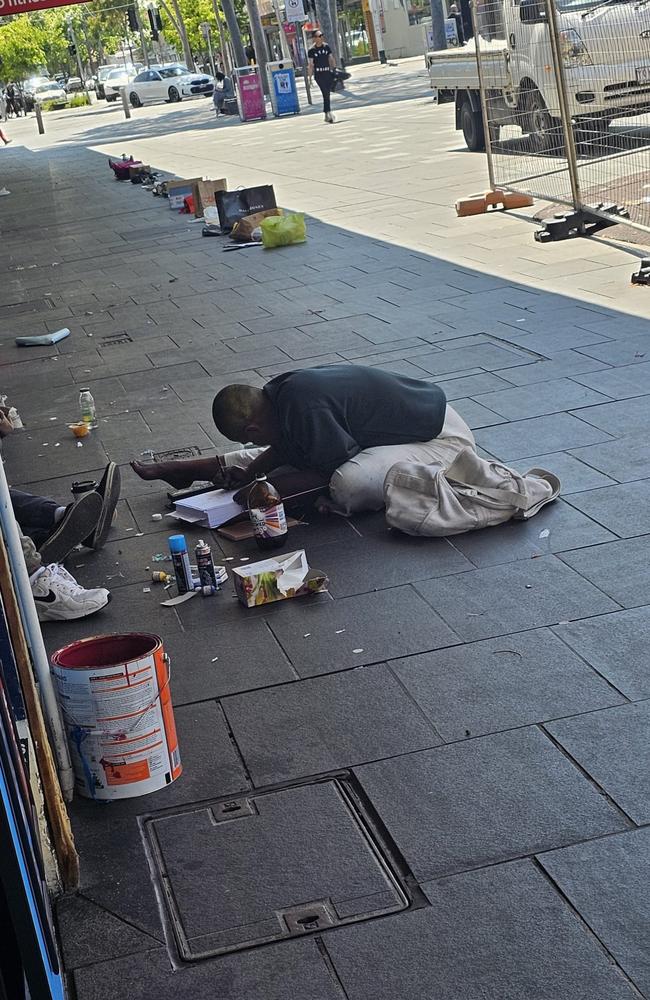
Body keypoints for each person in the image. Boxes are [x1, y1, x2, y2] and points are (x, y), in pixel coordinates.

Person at [131, 365, 476, 516]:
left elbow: (324, 471)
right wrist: (252, 473)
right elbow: (285, 446)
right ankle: (183, 470)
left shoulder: (303, 406)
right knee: (286, 463)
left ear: (252, 430)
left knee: (347, 483)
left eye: (250, 442)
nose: (255, 446)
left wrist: (257, 493)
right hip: (398, 428)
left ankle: (192, 471)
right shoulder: (280, 395)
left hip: (441, 439)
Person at [308, 30, 337, 124]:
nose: (320, 37)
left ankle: (327, 113)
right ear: (314, 38)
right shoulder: (312, 50)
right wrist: (310, 78)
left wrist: (334, 69)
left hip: (327, 72)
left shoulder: (326, 47)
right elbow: (311, 64)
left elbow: (331, 58)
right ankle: (328, 113)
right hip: (319, 74)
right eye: (318, 36)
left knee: (327, 93)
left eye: (321, 36)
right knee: (325, 92)